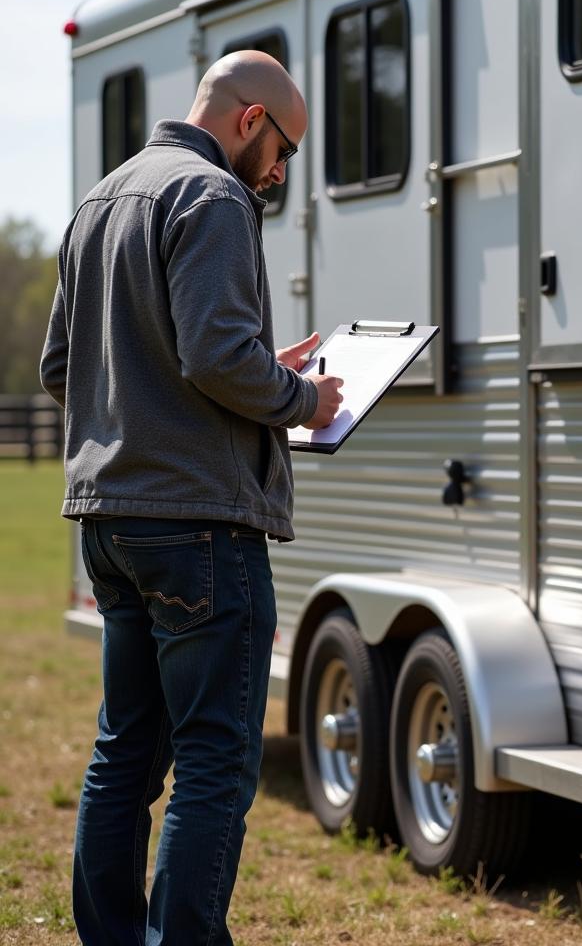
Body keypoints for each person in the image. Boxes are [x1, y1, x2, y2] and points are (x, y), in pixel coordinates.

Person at [39, 50, 343, 945]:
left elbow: (66, 367)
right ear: (250, 121)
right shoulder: (213, 197)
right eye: (284, 149)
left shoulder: (102, 198)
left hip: (109, 523)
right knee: (216, 757)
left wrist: (244, 377)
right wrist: (301, 399)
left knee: (124, 753)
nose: (281, 172)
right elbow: (212, 359)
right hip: (200, 529)